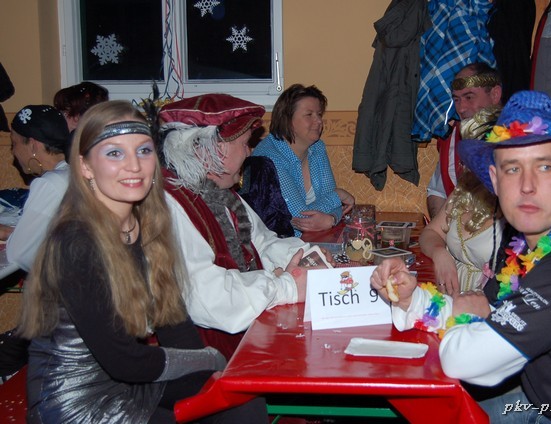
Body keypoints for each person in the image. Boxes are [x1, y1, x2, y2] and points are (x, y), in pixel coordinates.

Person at [371, 91, 551, 423]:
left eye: (544, 166)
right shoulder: (528, 243)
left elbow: (464, 360)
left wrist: (466, 317)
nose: (527, 186)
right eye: (512, 169)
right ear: (496, 181)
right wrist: (413, 300)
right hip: (546, 400)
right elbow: (489, 311)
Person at [17, 100, 267, 423]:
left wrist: (211, 371)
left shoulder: (146, 223)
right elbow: (125, 361)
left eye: (143, 150)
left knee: (242, 402)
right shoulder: (76, 242)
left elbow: (173, 322)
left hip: (129, 386)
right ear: (85, 167)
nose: (134, 166)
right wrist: (212, 360)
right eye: (114, 153)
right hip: (78, 403)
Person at [158, 93, 328, 359]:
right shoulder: (170, 205)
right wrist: (286, 287)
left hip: (247, 336)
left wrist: (307, 258)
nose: (249, 152)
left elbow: (263, 243)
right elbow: (209, 297)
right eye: (244, 143)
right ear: (212, 149)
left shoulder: (221, 193)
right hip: (208, 359)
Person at [420, 106, 505, 296]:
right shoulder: (466, 189)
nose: (463, 163)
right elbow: (431, 232)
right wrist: (439, 253)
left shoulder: (516, 206)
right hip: (450, 300)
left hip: (491, 303)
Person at [251, 84, 354, 236]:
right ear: (287, 119)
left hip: (312, 239)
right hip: (277, 244)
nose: (318, 121)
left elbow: (334, 206)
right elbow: (300, 217)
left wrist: (331, 218)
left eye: (319, 114)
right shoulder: (269, 158)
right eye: (309, 115)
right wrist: (338, 196)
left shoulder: (317, 148)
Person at [426, 63, 502, 219]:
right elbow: (437, 192)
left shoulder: (520, 140)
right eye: (457, 100)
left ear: (495, 94)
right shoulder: (451, 138)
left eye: (469, 97)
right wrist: (439, 229)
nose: (461, 108)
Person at [2, 106, 70, 271]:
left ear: (32, 145)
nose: (13, 152)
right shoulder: (74, 172)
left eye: (14, 143)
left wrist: (9, 236)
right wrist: (11, 233)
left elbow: (19, 254)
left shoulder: (50, 184)